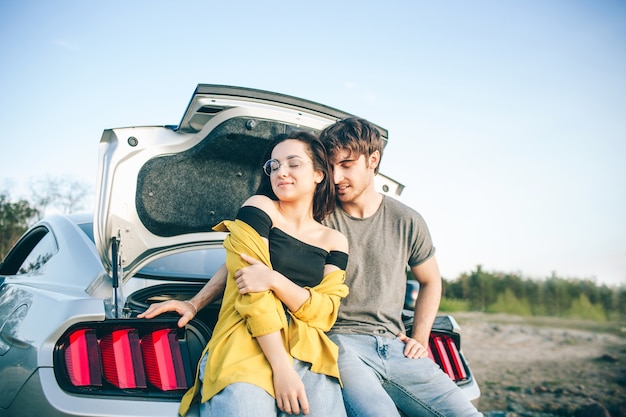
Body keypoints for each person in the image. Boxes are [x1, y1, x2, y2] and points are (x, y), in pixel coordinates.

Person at [141, 119, 482, 417]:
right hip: (330, 341)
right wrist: (196, 302)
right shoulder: (295, 208)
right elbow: (242, 266)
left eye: (347, 165)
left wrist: (419, 338)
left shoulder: (381, 225)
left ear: (373, 161)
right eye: (274, 166)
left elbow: (422, 283)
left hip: (356, 341)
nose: (337, 176)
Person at [147, 131, 350, 417]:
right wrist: (281, 368)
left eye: (293, 163)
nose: (281, 172)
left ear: (319, 173)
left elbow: (326, 312)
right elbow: (250, 287)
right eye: (274, 166)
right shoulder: (259, 207)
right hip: (246, 338)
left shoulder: (335, 240)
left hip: (310, 351)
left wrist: (274, 279)